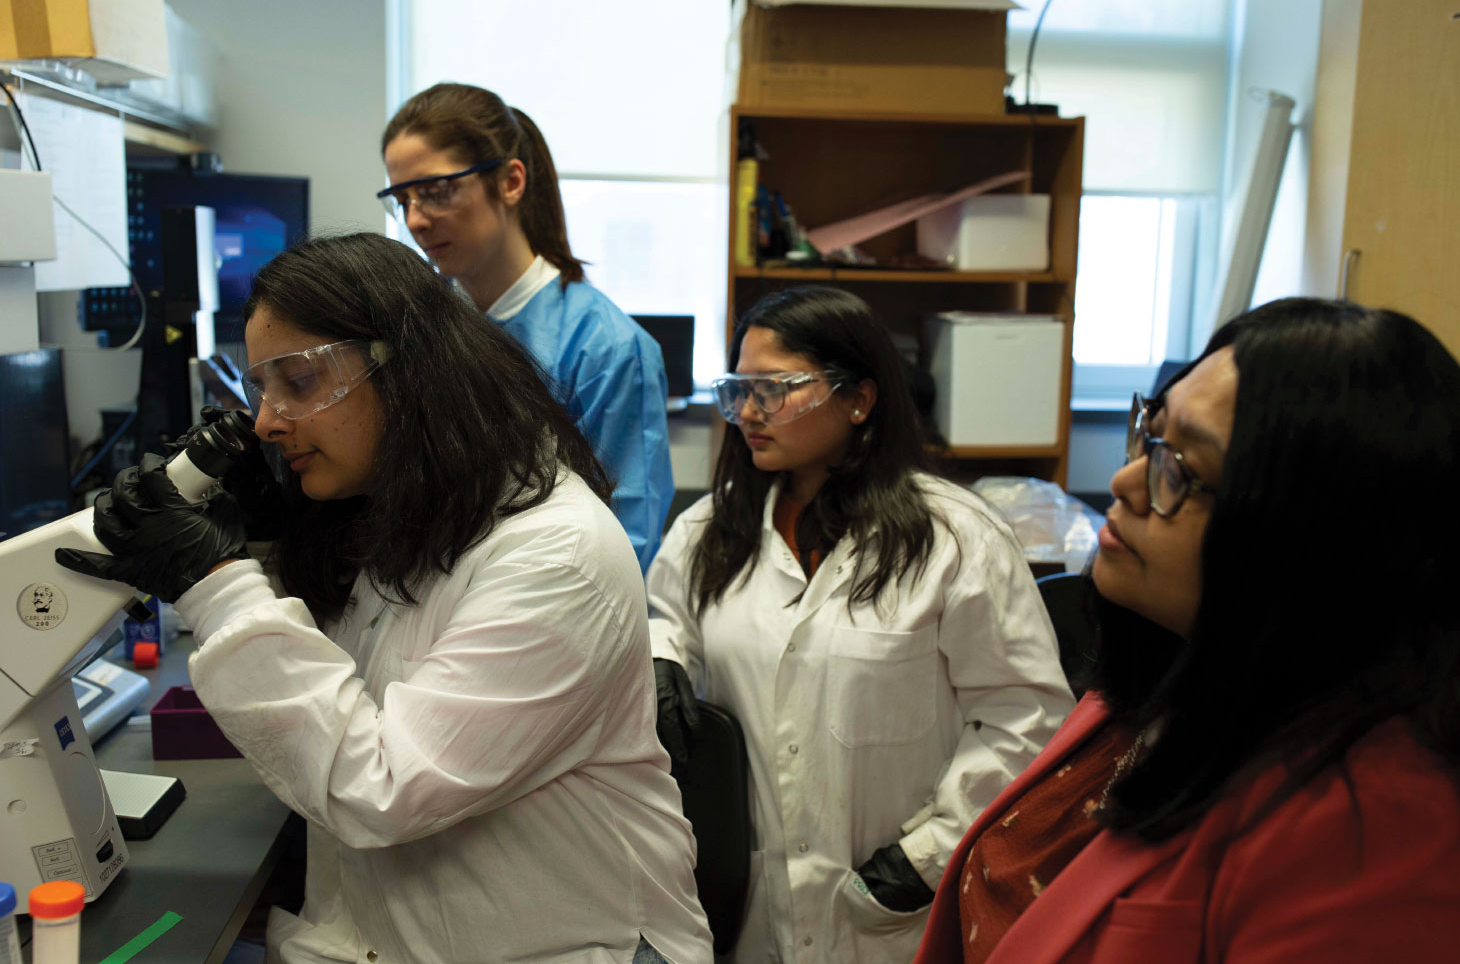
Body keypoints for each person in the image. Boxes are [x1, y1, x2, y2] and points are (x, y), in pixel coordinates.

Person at [58, 233, 713, 964]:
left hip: (567, 943)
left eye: (297, 383)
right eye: (259, 389)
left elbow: (383, 785)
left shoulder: (556, 554)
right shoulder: (422, 505)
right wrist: (275, 539)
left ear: (408, 372)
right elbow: (358, 670)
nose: (268, 422)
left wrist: (216, 584)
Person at [913, 297, 1460, 964]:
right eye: (1150, 433)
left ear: (1318, 539)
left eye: (1184, 469)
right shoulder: (1162, 679)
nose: (1123, 480)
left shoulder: (1373, 836)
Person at [646, 286, 1075, 962]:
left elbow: (1028, 716)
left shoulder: (957, 538)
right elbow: (666, 619)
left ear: (859, 398)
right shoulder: (707, 532)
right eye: (739, 389)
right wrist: (662, 655)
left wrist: (929, 853)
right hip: (748, 912)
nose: (749, 412)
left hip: (897, 910)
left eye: (776, 388)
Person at [379, 83, 673, 572]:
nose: (416, 220)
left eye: (434, 192)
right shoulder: (418, 327)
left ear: (510, 182)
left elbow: (627, 539)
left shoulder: (605, 348)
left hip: (550, 608)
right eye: (401, 198)